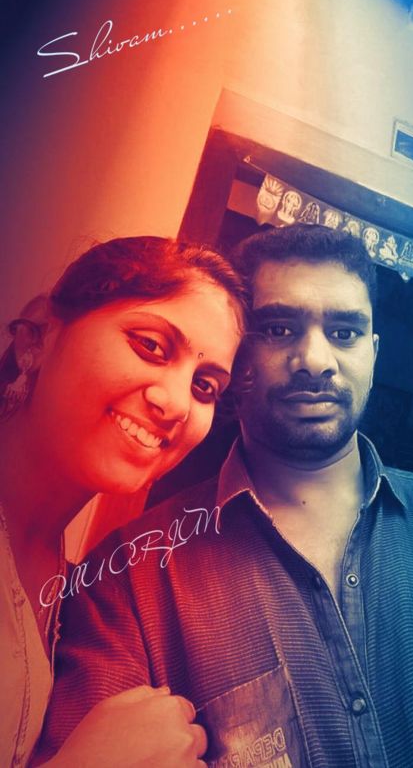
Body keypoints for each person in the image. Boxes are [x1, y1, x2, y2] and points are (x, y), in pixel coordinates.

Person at [40, 224, 413, 767]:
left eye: (345, 332)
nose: (316, 360)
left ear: (374, 354)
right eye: (279, 329)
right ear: (238, 359)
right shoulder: (127, 578)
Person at [0, 235, 247, 767]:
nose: (177, 404)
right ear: (38, 335)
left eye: (205, 387)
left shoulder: (72, 585)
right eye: (151, 346)